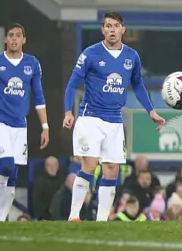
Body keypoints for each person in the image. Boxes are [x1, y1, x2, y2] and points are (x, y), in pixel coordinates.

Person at [63, 12, 165, 222]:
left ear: (122, 29)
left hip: (115, 120)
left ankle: (102, 220)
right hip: (90, 117)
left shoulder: (131, 56)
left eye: (115, 26)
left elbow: (137, 84)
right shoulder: (90, 54)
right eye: (107, 26)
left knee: (112, 169)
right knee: (89, 166)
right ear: (103, 30)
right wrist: (67, 111)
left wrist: (151, 111)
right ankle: (74, 216)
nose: (111, 29)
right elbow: (73, 83)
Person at [0, 23, 50, 222]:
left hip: (20, 124)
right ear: (6, 39)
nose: (14, 39)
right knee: (6, 165)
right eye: (10, 35)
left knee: (13, 173)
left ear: (24, 40)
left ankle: (1, 220)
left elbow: (39, 97)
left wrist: (45, 127)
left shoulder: (32, 64)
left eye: (18, 35)